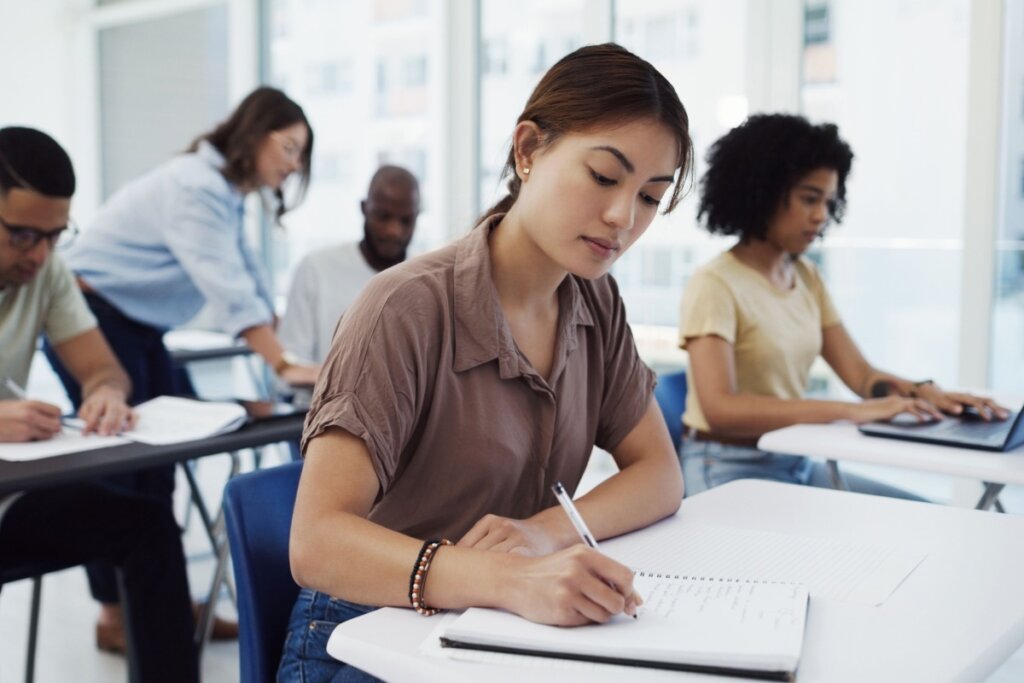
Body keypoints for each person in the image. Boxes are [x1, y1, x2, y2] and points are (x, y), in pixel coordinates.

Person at [280, 43, 692, 681]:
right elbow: (316, 543)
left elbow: (660, 475)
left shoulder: (595, 299)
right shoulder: (405, 307)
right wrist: (510, 579)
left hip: (494, 625)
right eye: (604, 177)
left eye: (650, 197)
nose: (622, 217)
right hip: (365, 631)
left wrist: (542, 535)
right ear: (528, 150)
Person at [44, 85, 319, 649]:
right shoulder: (196, 187)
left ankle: (164, 604)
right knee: (121, 468)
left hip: (138, 325)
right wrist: (284, 363)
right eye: (289, 148)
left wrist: (285, 350)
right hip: (92, 316)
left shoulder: (226, 192)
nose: (294, 166)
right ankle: (115, 616)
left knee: (163, 465)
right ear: (255, 134)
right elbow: (227, 289)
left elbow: (249, 282)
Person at [678, 113, 1008, 498]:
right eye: (809, 199)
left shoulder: (805, 277)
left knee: (923, 510)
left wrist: (925, 393)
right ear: (762, 192)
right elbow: (721, 410)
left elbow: (862, 377)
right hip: (726, 466)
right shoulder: (715, 284)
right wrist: (850, 411)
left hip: (794, 459)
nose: (821, 215)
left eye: (828, 202)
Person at [0, 126, 198, 682]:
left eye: (55, 235)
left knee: (147, 525)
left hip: (9, 499)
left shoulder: (47, 272)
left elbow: (103, 369)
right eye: (23, 236)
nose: (40, 254)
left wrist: (105, 394)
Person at [278, 165, 420, 365]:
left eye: (406, 221)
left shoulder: (426, 282)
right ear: (364, 208)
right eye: (383, 216)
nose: (393, 231)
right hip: (321, 386)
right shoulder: (316, 269)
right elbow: (292, 363)